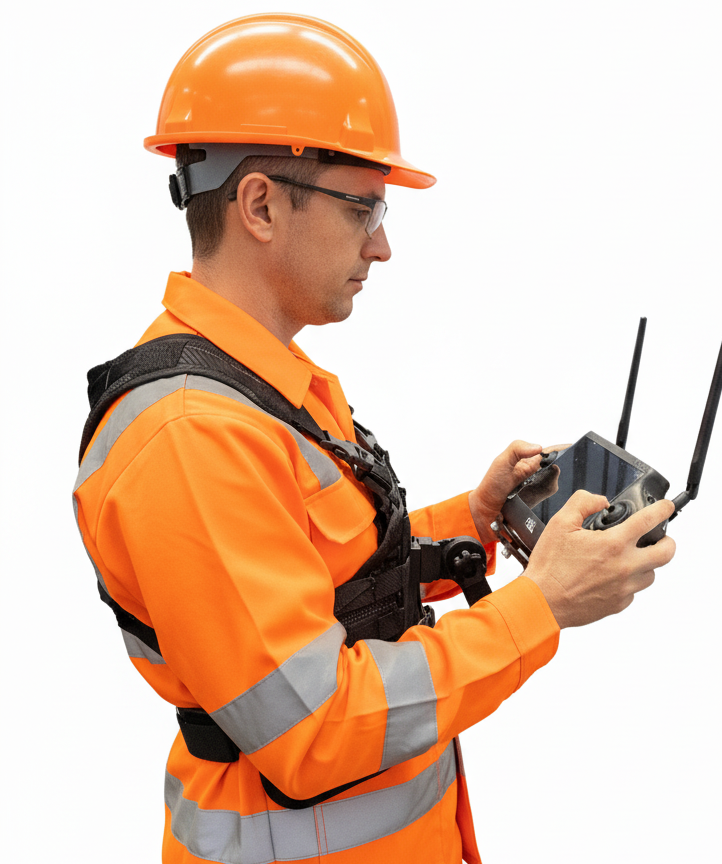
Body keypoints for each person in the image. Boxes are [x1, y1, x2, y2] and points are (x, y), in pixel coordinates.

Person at [72, 14, 676, 864]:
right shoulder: (193, 437)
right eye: (364, 207)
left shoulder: (261, 387)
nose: (382, 245)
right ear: (260, 205)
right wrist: (539, 608)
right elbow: (314, 726)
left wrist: (471, 521)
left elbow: (322, 576)